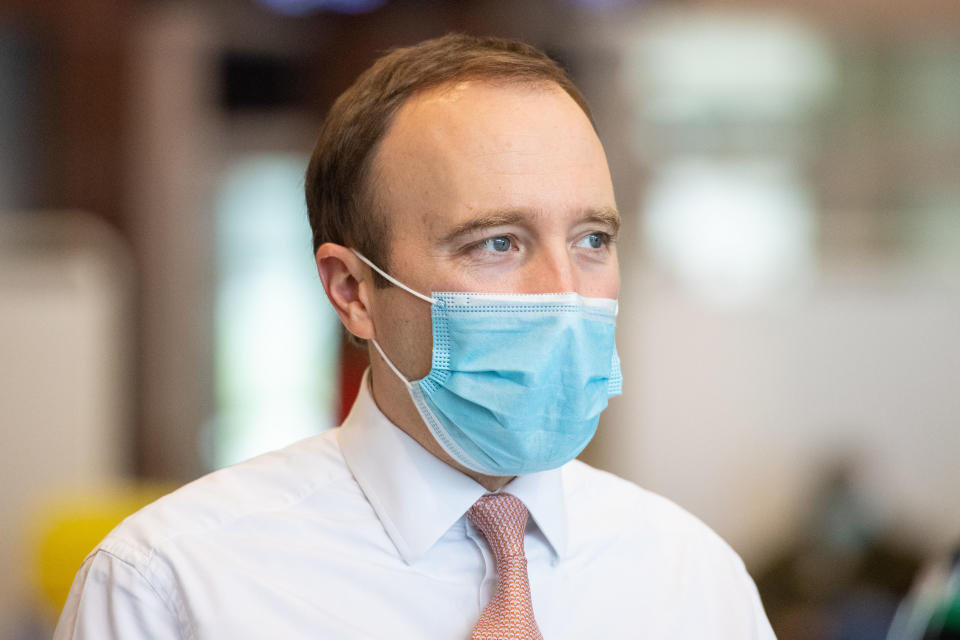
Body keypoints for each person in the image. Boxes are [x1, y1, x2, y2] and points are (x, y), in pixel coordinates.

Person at [54, 34, 776, 639]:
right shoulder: (174, 588)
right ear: (353, 292)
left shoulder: (696, 583)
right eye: (497, 243)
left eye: (592, 239)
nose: (564, 291)